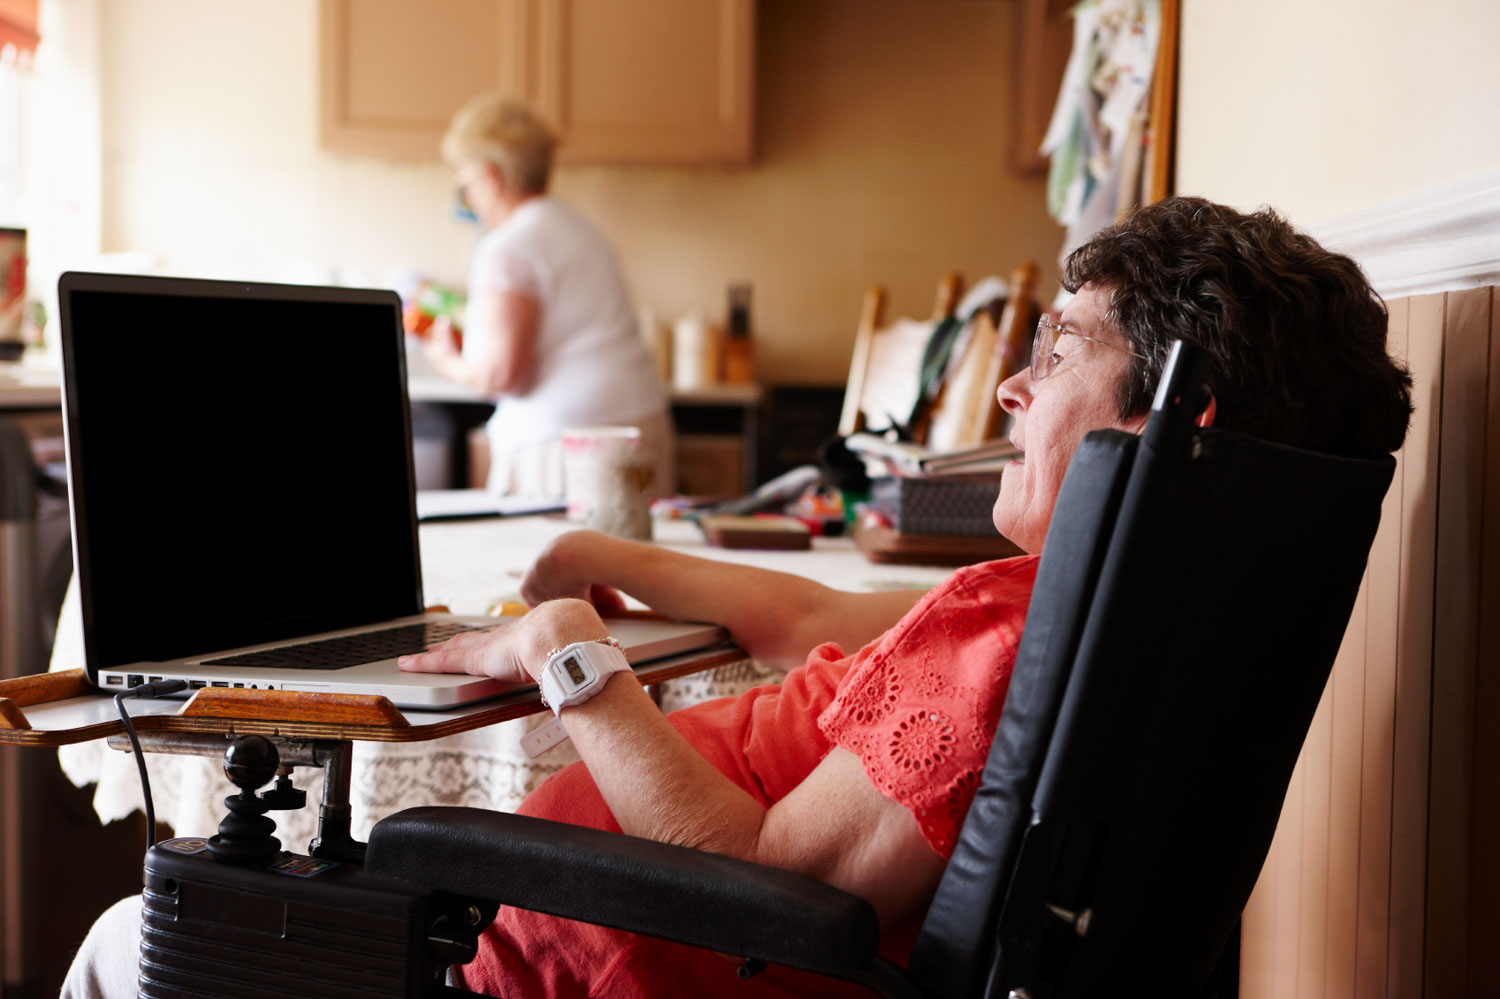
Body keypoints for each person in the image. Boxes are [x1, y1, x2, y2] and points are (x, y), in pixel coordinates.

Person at [59, 197, 1413, 997]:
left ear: (1177, 420)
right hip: (606, 939)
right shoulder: (1077, 612)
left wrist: (570, 650)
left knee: (137, 932)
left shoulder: (1009, 646)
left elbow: (769, 880)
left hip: (561, 961)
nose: (1012, 384)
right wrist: (613, 564)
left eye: (1059, 347)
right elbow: (821, 631)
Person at [427, 94, 674, 497]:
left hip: (568, 446)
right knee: (639, 557)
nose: (470, 197)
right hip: (640, 424)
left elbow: (503, 375)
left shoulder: (508, 245)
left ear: (491, 177)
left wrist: (449, 361)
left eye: (467, 184)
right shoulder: (577, 228)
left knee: (555, 559)